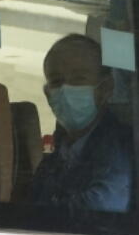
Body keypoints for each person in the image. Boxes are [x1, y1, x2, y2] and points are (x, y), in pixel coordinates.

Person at [31, 34, 131, 213]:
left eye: (78, 79)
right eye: (56, 81)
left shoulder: (119, 145)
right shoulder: (61, 145)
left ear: (105, 88)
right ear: (48, 94)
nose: (65, 89)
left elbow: (104, 206)